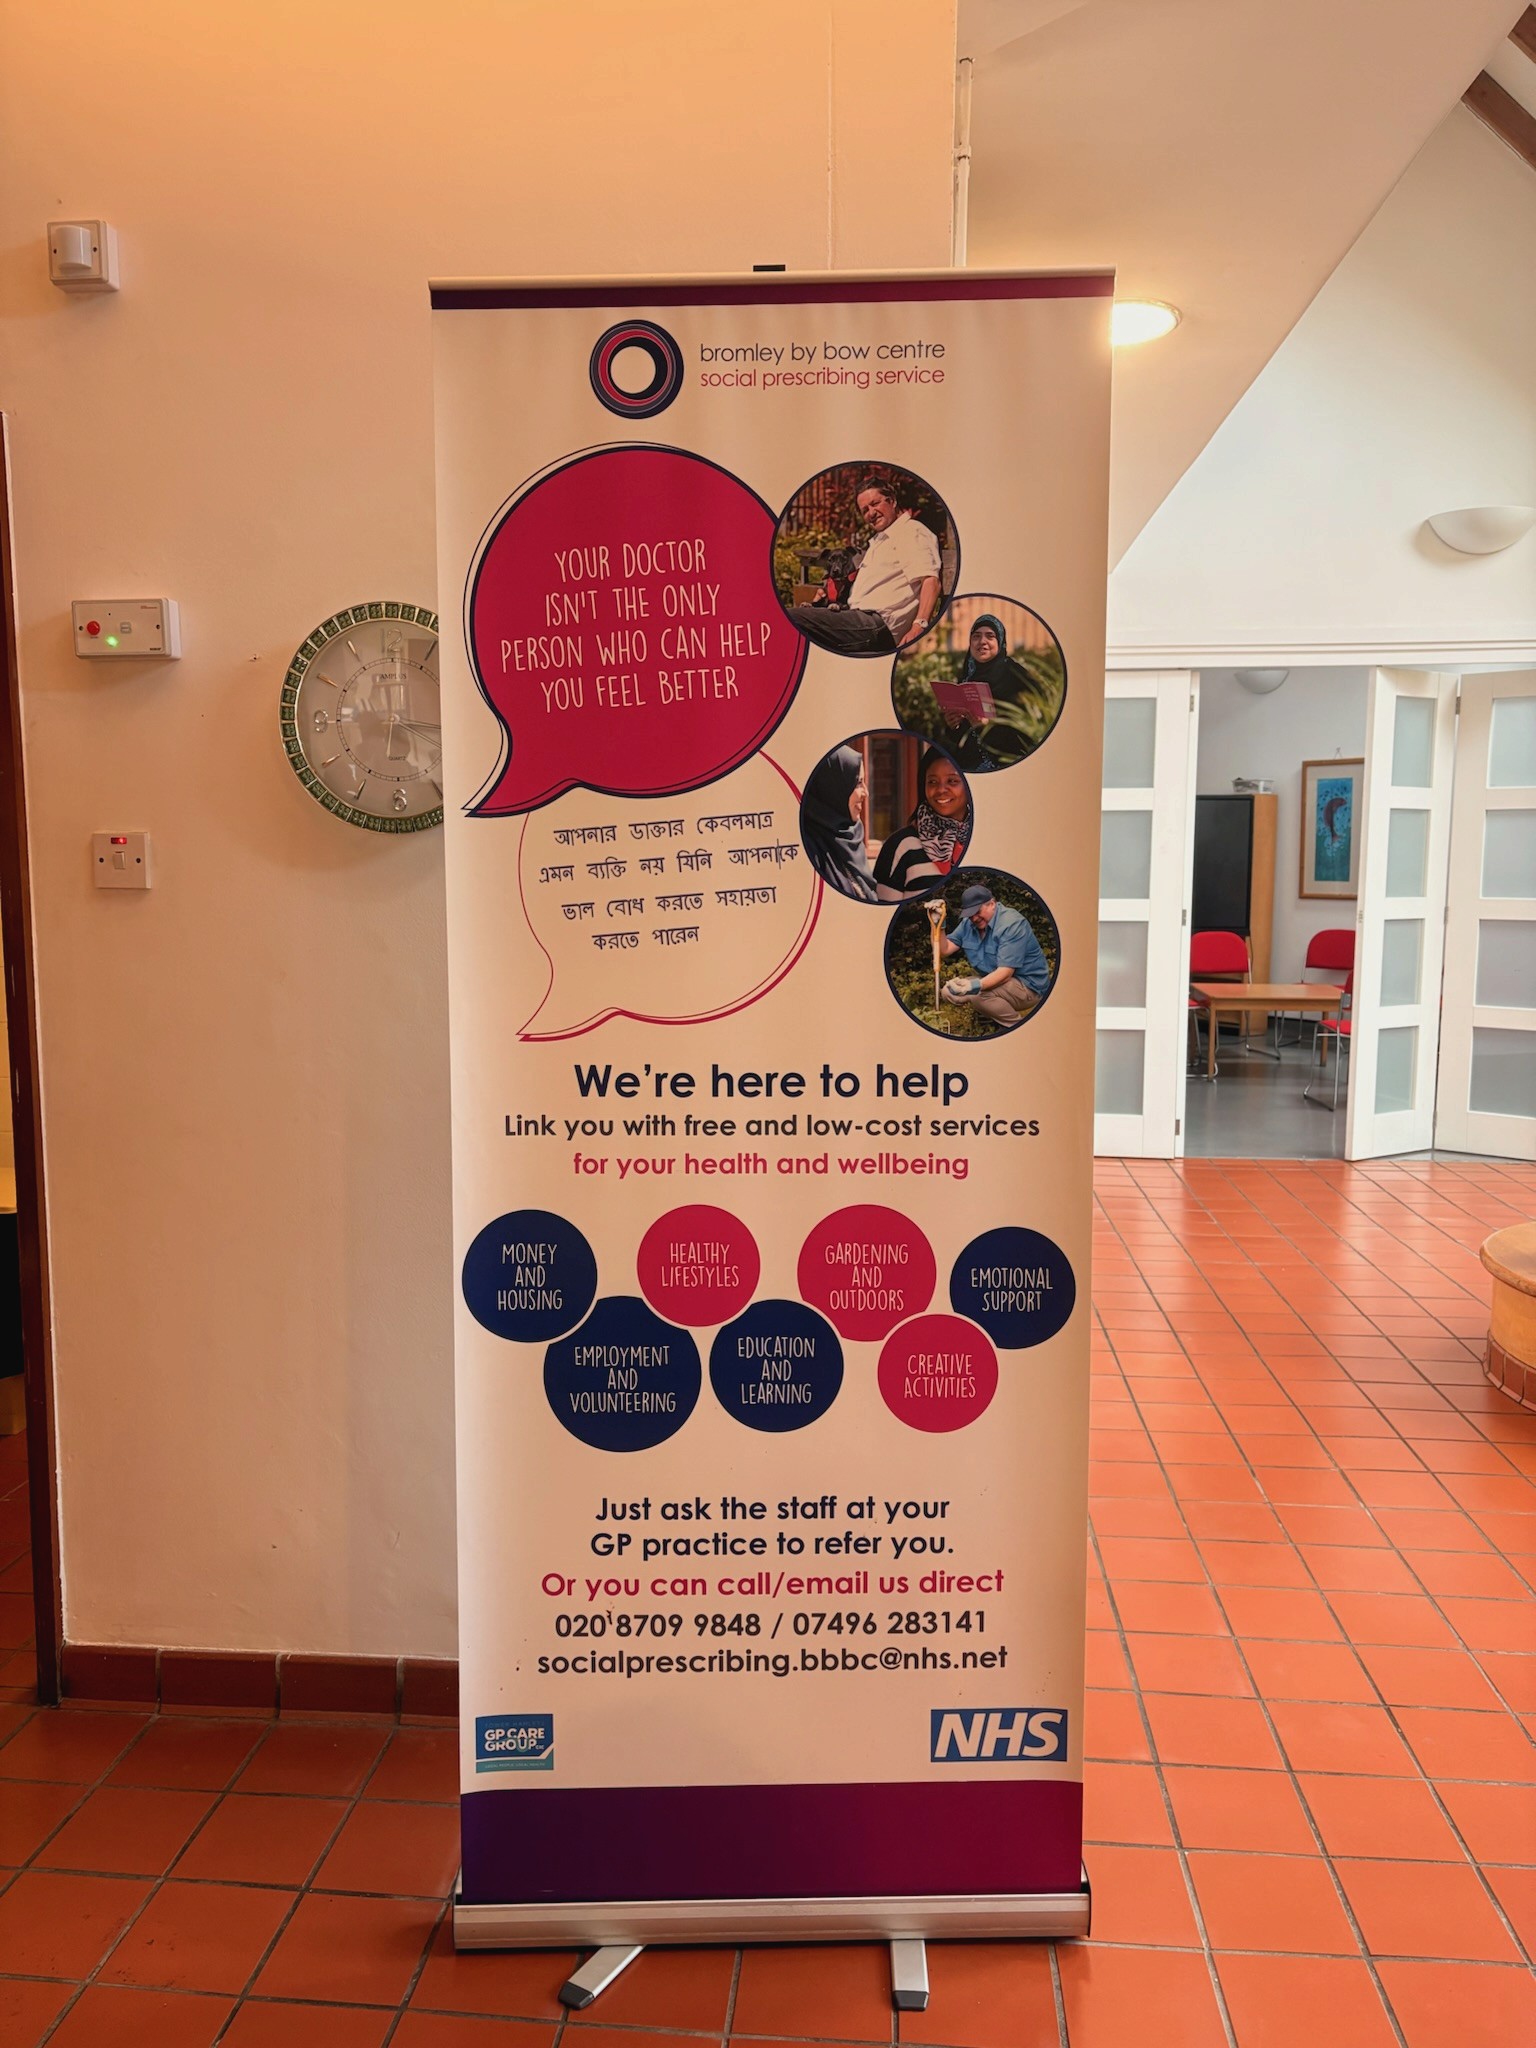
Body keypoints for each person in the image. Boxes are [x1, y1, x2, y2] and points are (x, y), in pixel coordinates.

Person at [785, 475, 942, 656]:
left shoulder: (910, 531)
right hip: (857, 620)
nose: (871, 513)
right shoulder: (882, 539)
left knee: (788, 618)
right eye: (865, 510)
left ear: (892, 501)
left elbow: (930, 580)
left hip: (876, 625)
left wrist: (919, 626)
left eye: (875, 504)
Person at [935, 612, 1050, 771]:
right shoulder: (968, 677)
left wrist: (988, 727)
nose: (982, 641)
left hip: (1008, 765)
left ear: (1000, 641)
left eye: (990, 636)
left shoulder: (1018, 677)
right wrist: (952, 725)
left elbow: (1029, 731)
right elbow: (961, 738)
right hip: (970, 765)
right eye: (976, 636)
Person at [938, 881, 1051, 1028]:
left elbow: (1005, 973)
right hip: (997, 981)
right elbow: (944, 950)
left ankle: (1019, 1028)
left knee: (977, 994)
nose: (974, 918)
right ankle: (992, 1014)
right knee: (948, 991)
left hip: (1029, 986)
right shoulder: (968, 924)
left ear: (992, 904)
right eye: (970, 914)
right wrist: (939, 925)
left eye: (977, 912)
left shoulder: (1011, 924)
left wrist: (973, 986)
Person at [873, 748, 972, 900]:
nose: (941, 789)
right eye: (932, 782)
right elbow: (884, 913)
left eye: (952, 781)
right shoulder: (901, 846)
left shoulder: (985, 840)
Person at [800, 745, 879, 902]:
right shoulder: (808, 846)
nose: (866, 793)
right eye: (858, 783)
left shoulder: (852, 835)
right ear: (832, 787)